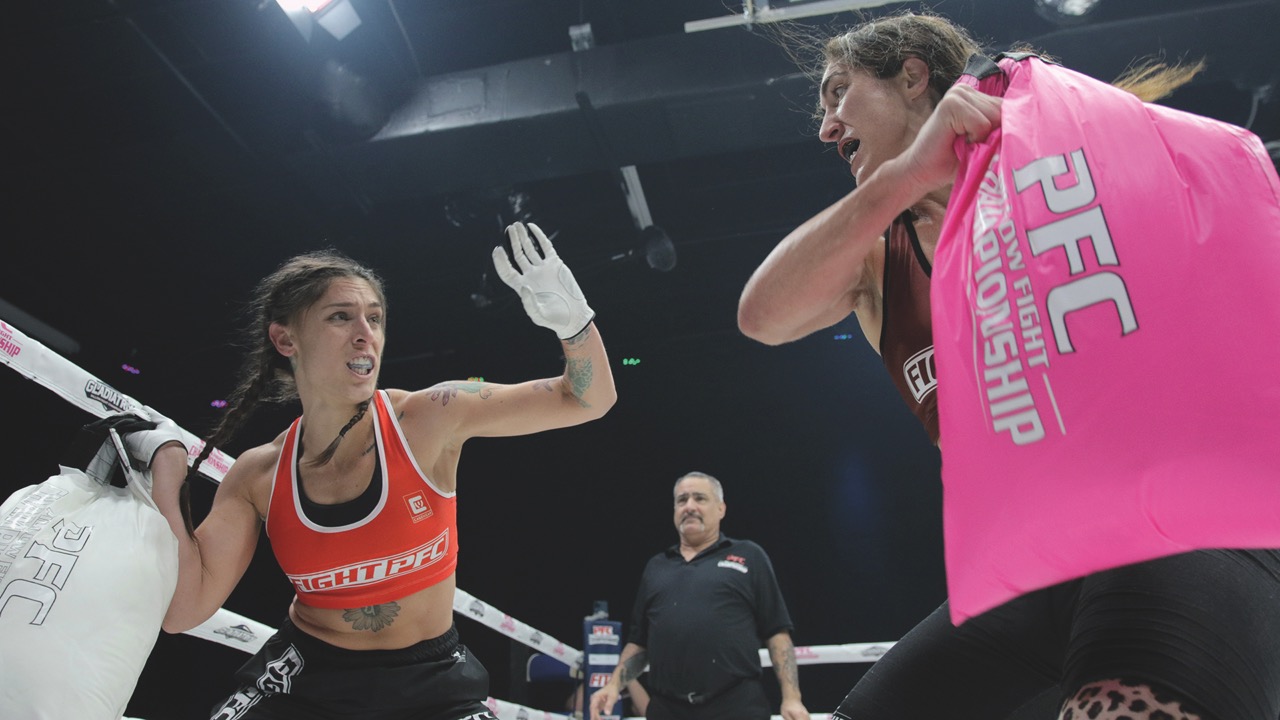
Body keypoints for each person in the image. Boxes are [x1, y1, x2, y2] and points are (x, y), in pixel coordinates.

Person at [738, 11, 1280, 720]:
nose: (827, 126)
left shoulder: (1070, 172)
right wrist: (907, 175)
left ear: (911, 76)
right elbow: (762, 315)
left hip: (1178, 524)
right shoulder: (878, 256)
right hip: (1040, 566)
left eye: (839, 93)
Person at [128, 221, 616, 720]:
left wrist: (574, 325)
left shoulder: (430, 418)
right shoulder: (259, 475)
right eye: (342, 317)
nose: (366, 336)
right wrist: (165, 472)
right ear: (285, 338)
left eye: (376, 319)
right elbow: (183, 611)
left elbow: (588, 399)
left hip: (433, 683)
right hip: (308, 676)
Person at [589, 472, 807, 720]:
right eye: (682, 500)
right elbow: (639, 641)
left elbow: (776, 631)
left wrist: (792, 698)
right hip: (667, 709)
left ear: (721, 508)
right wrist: (613, 685)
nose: (689, 506)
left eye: (699, 498)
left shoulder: (749, 555)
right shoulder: (656, 567)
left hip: (736, 706)